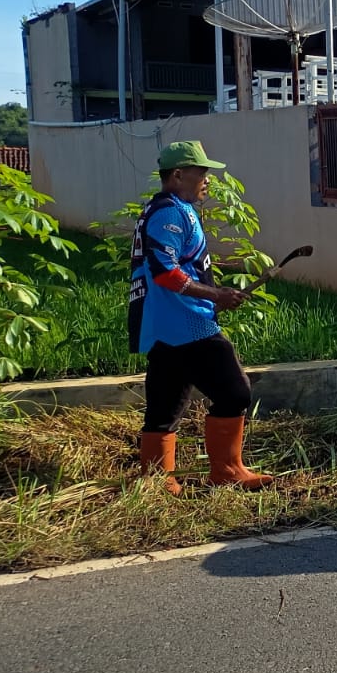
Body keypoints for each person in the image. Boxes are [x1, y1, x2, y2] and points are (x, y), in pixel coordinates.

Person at [132, 140, 273, 492]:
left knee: (166, 402)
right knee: (235, 393)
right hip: (187, 322)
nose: (208, 179)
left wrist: (214, 290)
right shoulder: (169, 214)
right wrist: (216, 295)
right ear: (178, 174)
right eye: (202, 172)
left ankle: (156, 480)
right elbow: (166, 272)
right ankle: (226, 470)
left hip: (165, 323)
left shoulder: (169, 207)